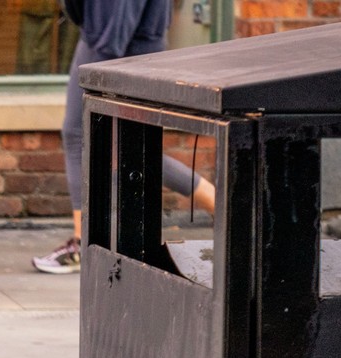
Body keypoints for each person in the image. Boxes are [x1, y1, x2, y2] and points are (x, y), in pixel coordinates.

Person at [35, 0, 216, 273]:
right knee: (129, 149)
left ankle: (84, 242)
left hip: (113, 48)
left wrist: (102, 54)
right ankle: (220, 205)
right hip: (124, 45)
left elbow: (114, 21)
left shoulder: (108, 41)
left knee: (82, 136)